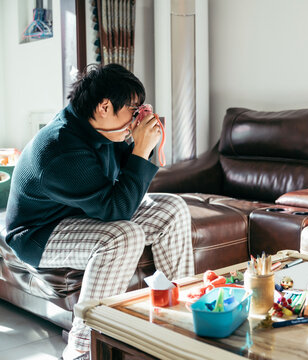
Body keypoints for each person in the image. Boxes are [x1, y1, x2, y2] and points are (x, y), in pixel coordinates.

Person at [5, 64, 193, 360]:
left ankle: (177, 317)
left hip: (79, 211)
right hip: (37, 232)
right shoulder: (61, 147)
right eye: (133, 111)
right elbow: (117, 209)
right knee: (122, 235)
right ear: (105, 106)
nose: (136, 118)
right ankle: (82, 347)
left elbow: (125, 189)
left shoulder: (99, 127)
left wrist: (140, 140)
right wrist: (141, 150)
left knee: (172, 208)